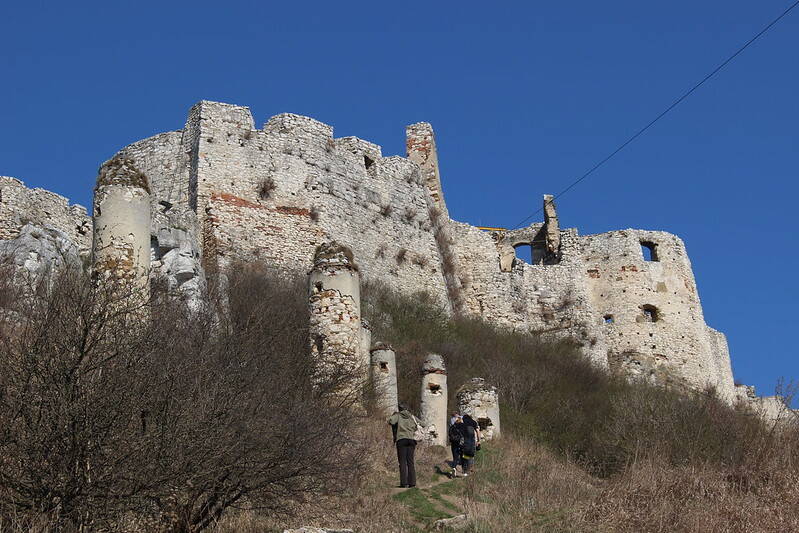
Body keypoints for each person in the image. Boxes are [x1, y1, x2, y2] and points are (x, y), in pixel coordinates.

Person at [387, 403, 419, 488]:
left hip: (401, 440)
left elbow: (390, 421)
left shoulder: (398, 415)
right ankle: (412, 483)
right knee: (410, 462)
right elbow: (422, 423)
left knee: (402, 462)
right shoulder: (412, 416)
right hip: (412, 440)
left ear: (399, 409)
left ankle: (404, 483)